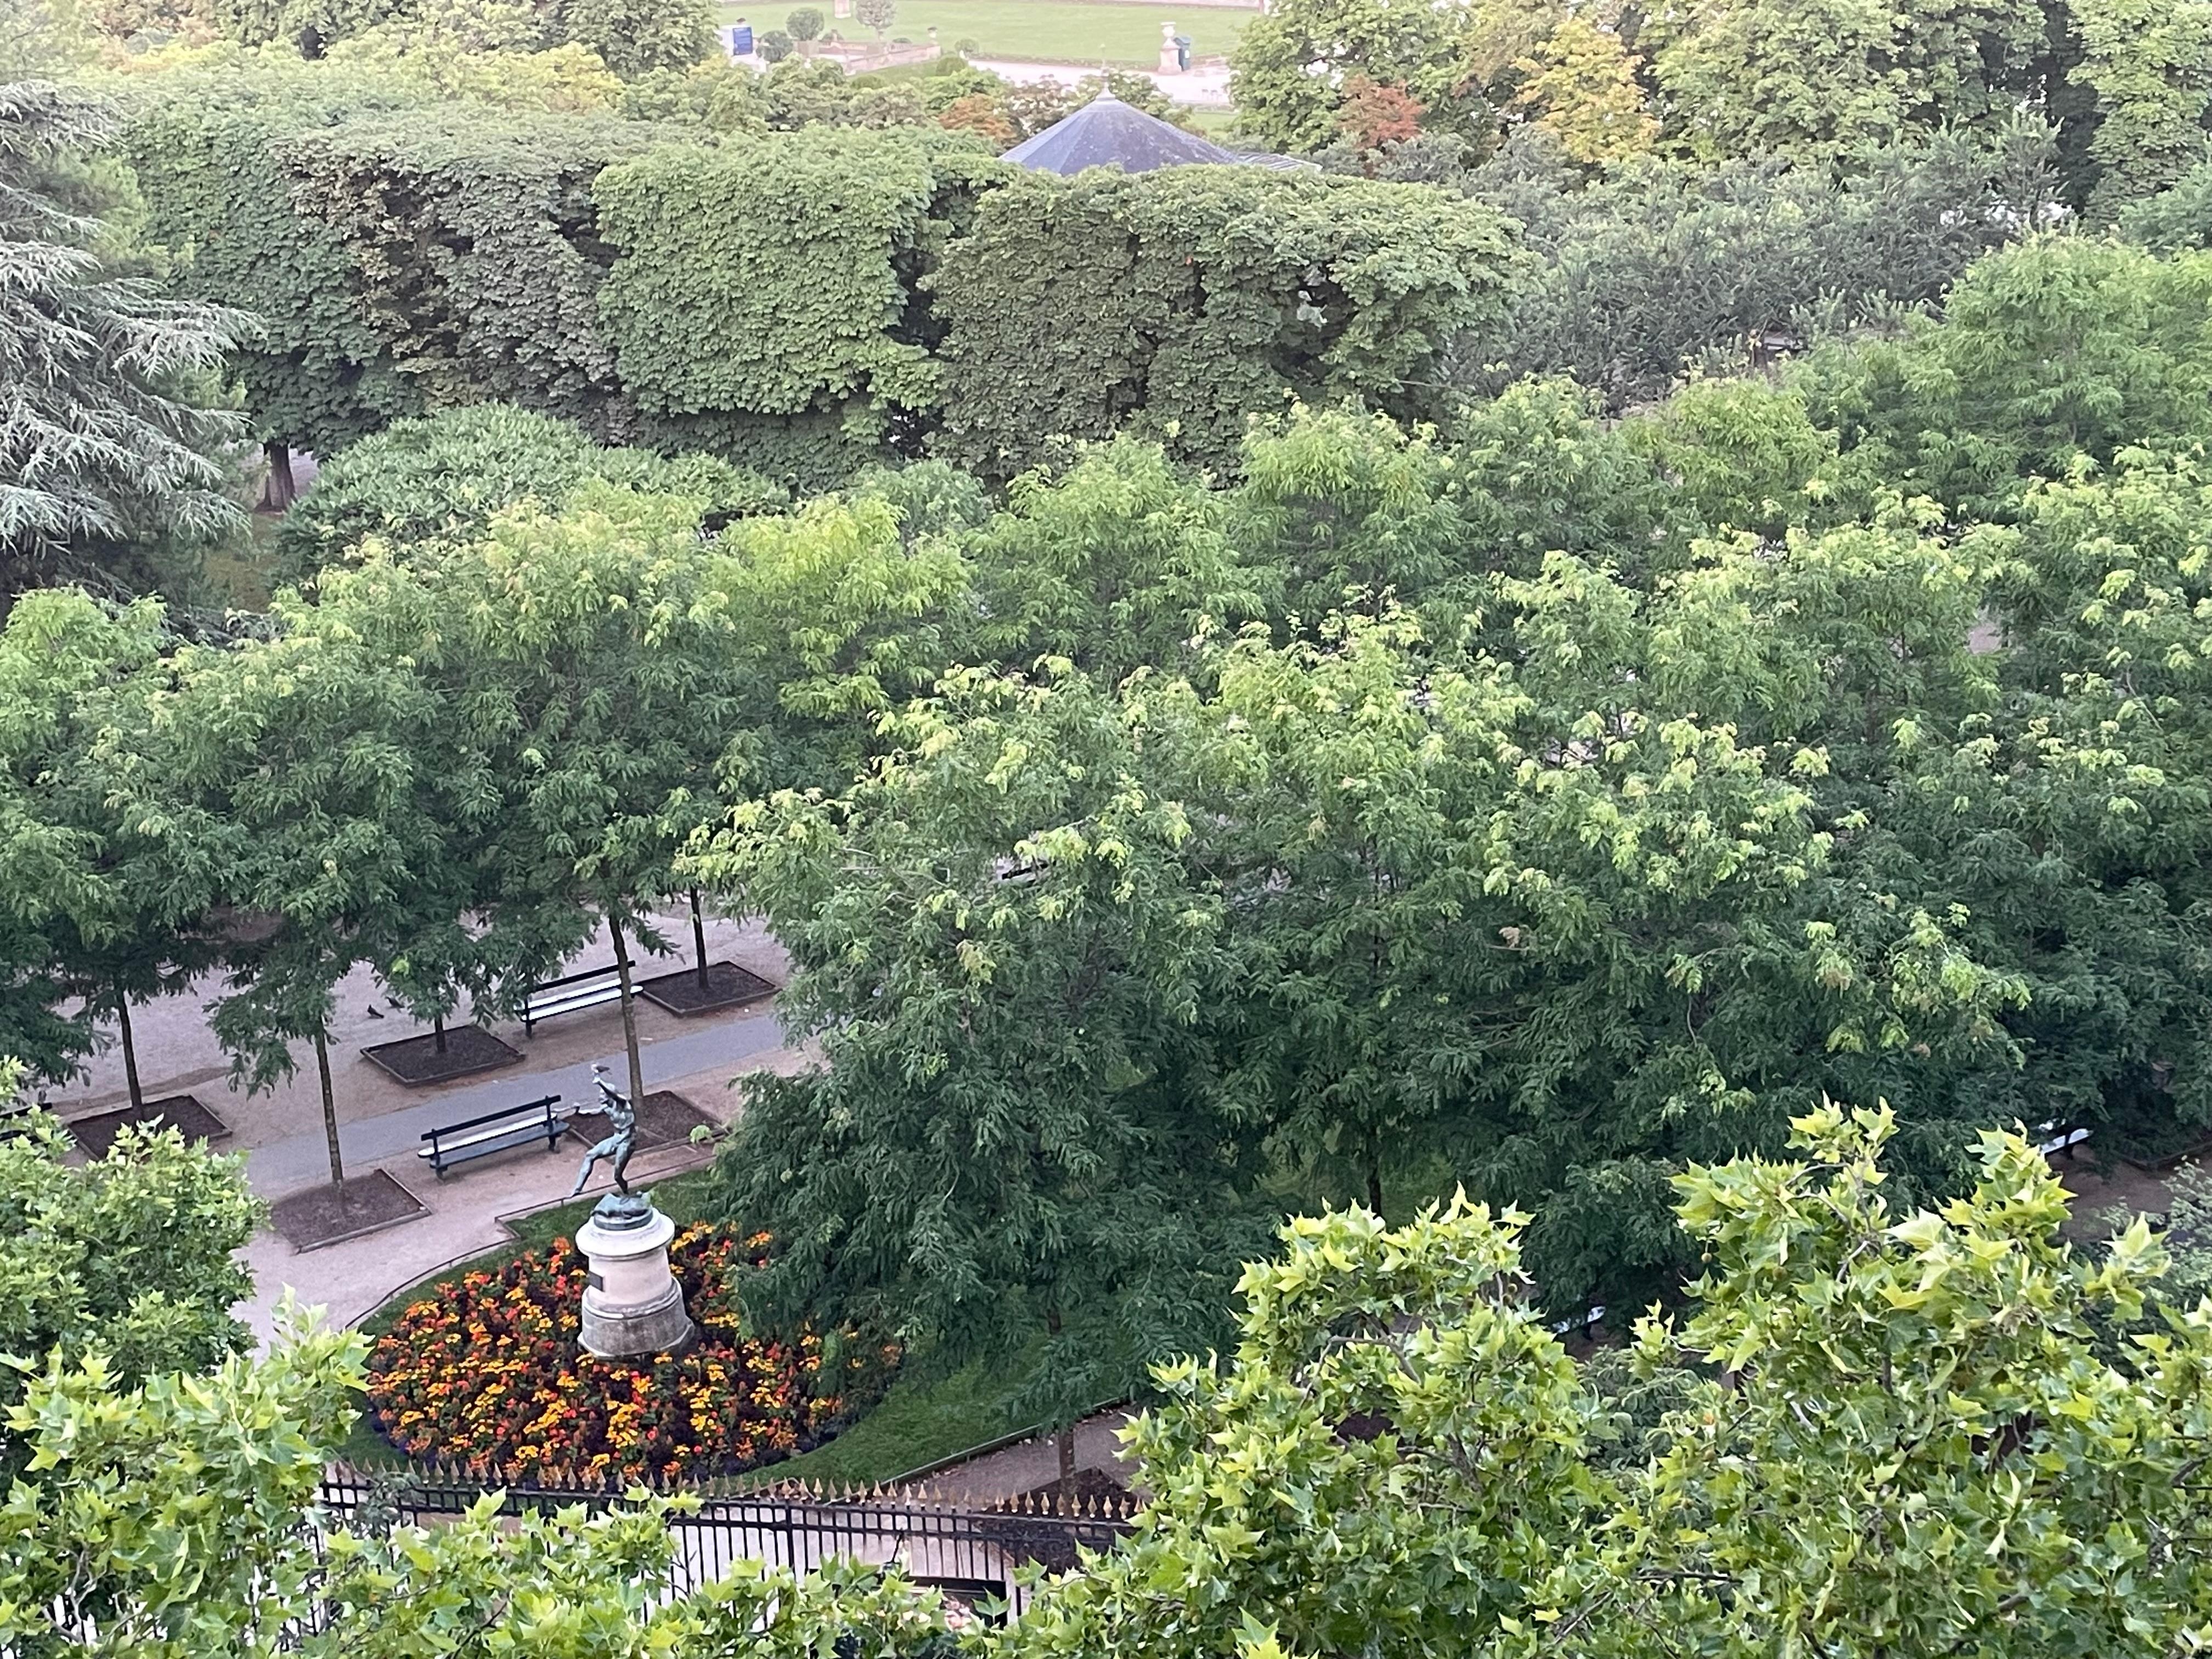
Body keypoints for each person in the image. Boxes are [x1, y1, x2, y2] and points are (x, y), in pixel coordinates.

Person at [568, 1067, 638, 1197]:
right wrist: (578, 1112)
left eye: (604, 1098)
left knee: (617, 1175)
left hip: (628, 1141)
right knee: (590, 1155)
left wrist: (599, 1081)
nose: (602, 1101)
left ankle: (627, 1193)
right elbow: (591, 1113)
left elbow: (614, 1094)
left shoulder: (624, 1105)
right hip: (616, 1138)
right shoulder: (607, 1108)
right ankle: (577, 1190)